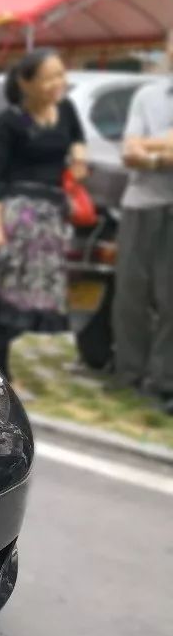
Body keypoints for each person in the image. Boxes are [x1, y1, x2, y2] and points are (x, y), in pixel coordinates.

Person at [0, 49, 86, 378]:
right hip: (19, 215)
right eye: (50, 77)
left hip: (52, 218)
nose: (59, 83)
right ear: (26, 82)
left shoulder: (67, 110)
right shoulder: (10, 120)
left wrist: (78, 157)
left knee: (36, 296)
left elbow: (76, 141)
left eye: (61, 74)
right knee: (12, 295)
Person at [113, 35, 173, 413]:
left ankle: (162, 379)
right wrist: (161, 150)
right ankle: (129, 371)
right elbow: (128, 152)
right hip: (140, 203)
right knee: (130, 293)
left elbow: (141, 148)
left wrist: (149, 149)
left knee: (170, 299)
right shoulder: (148, 95)